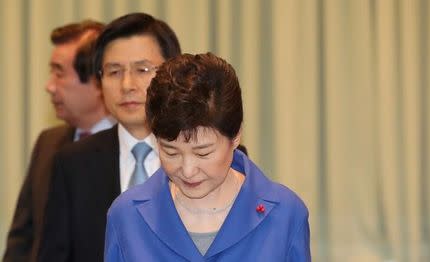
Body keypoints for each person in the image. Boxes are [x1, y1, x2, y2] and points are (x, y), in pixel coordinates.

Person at [104, 53, 311, 261]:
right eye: (170, 152)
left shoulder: (285, 214)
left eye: (203, 152)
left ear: (236, 135)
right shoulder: (127, 217)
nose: (188, 170)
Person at [37, 13, 182, 262]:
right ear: (99, 81)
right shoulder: (72, 164)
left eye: (142, 69)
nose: (127, 84)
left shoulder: (209, 155)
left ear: (173, 73)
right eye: (114, 72)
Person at [2, 20, 115, 262]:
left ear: (97, 80)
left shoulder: (135, 149)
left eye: (59, 72)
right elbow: (22, 239)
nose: (49, 86)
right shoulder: (48, 143)